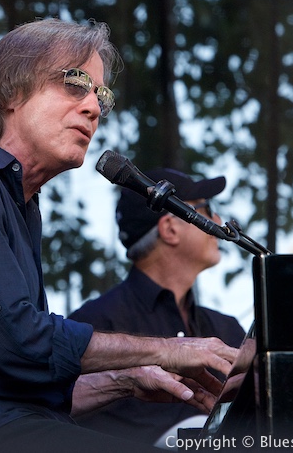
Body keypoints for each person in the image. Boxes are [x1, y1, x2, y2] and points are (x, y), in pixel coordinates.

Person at [0, 19, 239, 452]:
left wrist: (124, 380)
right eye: (75, 83)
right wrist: (165, 350)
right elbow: (17, 338)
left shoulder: (18, 204)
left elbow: (19, 384)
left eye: (101, 95)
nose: (94, 108)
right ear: (11, 90)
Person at [69, 168, 247, 445]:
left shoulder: (228, 329)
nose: (218, 221)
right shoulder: (91, 327)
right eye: (206, 209)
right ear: (170, 228)